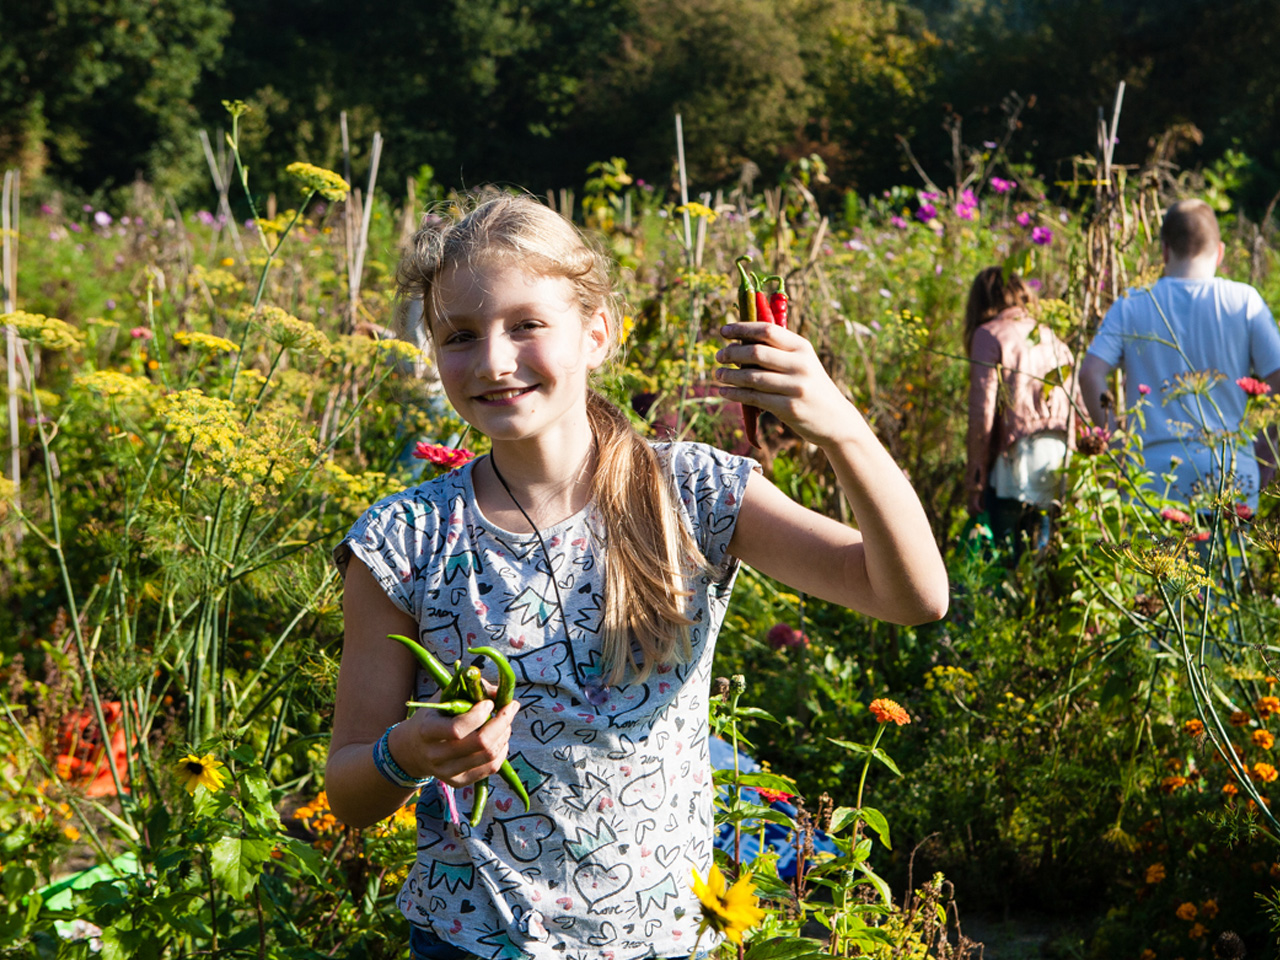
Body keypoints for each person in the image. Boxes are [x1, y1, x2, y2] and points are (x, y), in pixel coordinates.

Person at [325, 194, 948, 960]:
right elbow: (350, 790)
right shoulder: (405, 538)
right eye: (459, 335)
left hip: (661, 941)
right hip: (471, 942)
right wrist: (408, 755)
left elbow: (912, 596)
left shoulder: (693, 493)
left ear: (598, 332)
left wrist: (841, 428)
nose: (492, 359)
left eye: (526, 324)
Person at [1080, 199, 1280, 510]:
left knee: (1157, 557)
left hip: (1152, 473)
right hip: (1229, 468)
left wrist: (1119, 446)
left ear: (1164, 250)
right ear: (1221, 251)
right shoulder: (1244, 301)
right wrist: (1265, 450)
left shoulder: (1133, 303)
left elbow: (1090, 373)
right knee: (1225, 559)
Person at [965, 267, 1077, 554]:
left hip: (1015, 459)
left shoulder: (988, 335)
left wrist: (976, 475)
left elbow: (982, 411)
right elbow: (1076, 403)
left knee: (1007, 555)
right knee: (1041, 552)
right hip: (1058, 453)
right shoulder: (1051, 335)